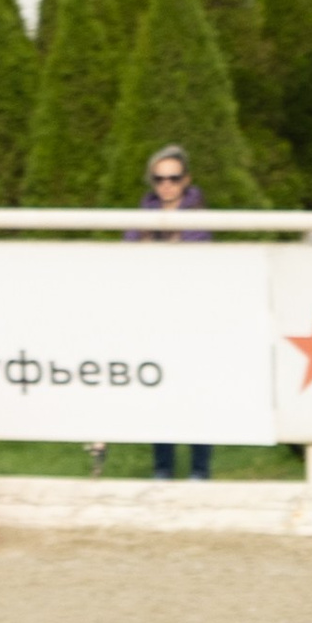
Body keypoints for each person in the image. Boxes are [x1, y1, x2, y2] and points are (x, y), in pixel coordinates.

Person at [131, 145, 211, 481]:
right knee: (159, 392)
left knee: (195, 393)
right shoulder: (141, 215)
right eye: (159, 179)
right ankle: (162, 467)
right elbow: (129, 255)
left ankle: (199, 470)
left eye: (173, 178)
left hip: (193, 318)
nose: (166, 185)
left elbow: (195, 257)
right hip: (154, 317)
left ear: (186, 180)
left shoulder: (199, 215)